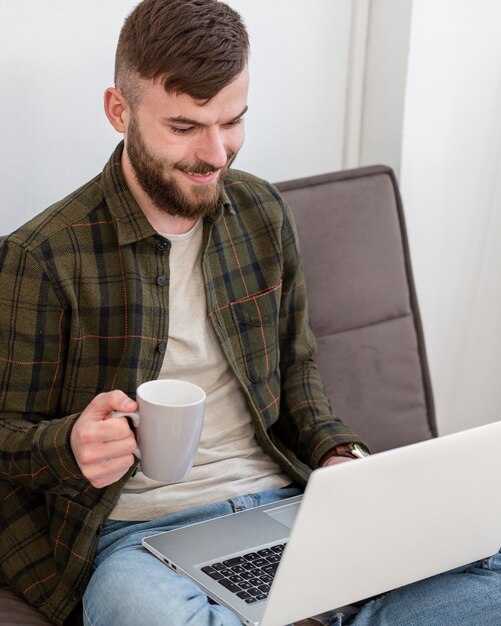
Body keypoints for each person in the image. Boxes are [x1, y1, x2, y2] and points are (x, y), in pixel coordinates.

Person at [0, 1, 500, 625]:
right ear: (119, 111)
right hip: (142, 542)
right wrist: (68, 444)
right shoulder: (44, 255)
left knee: (487, 563)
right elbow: (7, 436)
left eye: (233, 121)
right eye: (184, 127)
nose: (216, 154)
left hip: (285, 507)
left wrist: (340, 458)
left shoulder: (261, 212)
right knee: (137, 611)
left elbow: (297, 373)